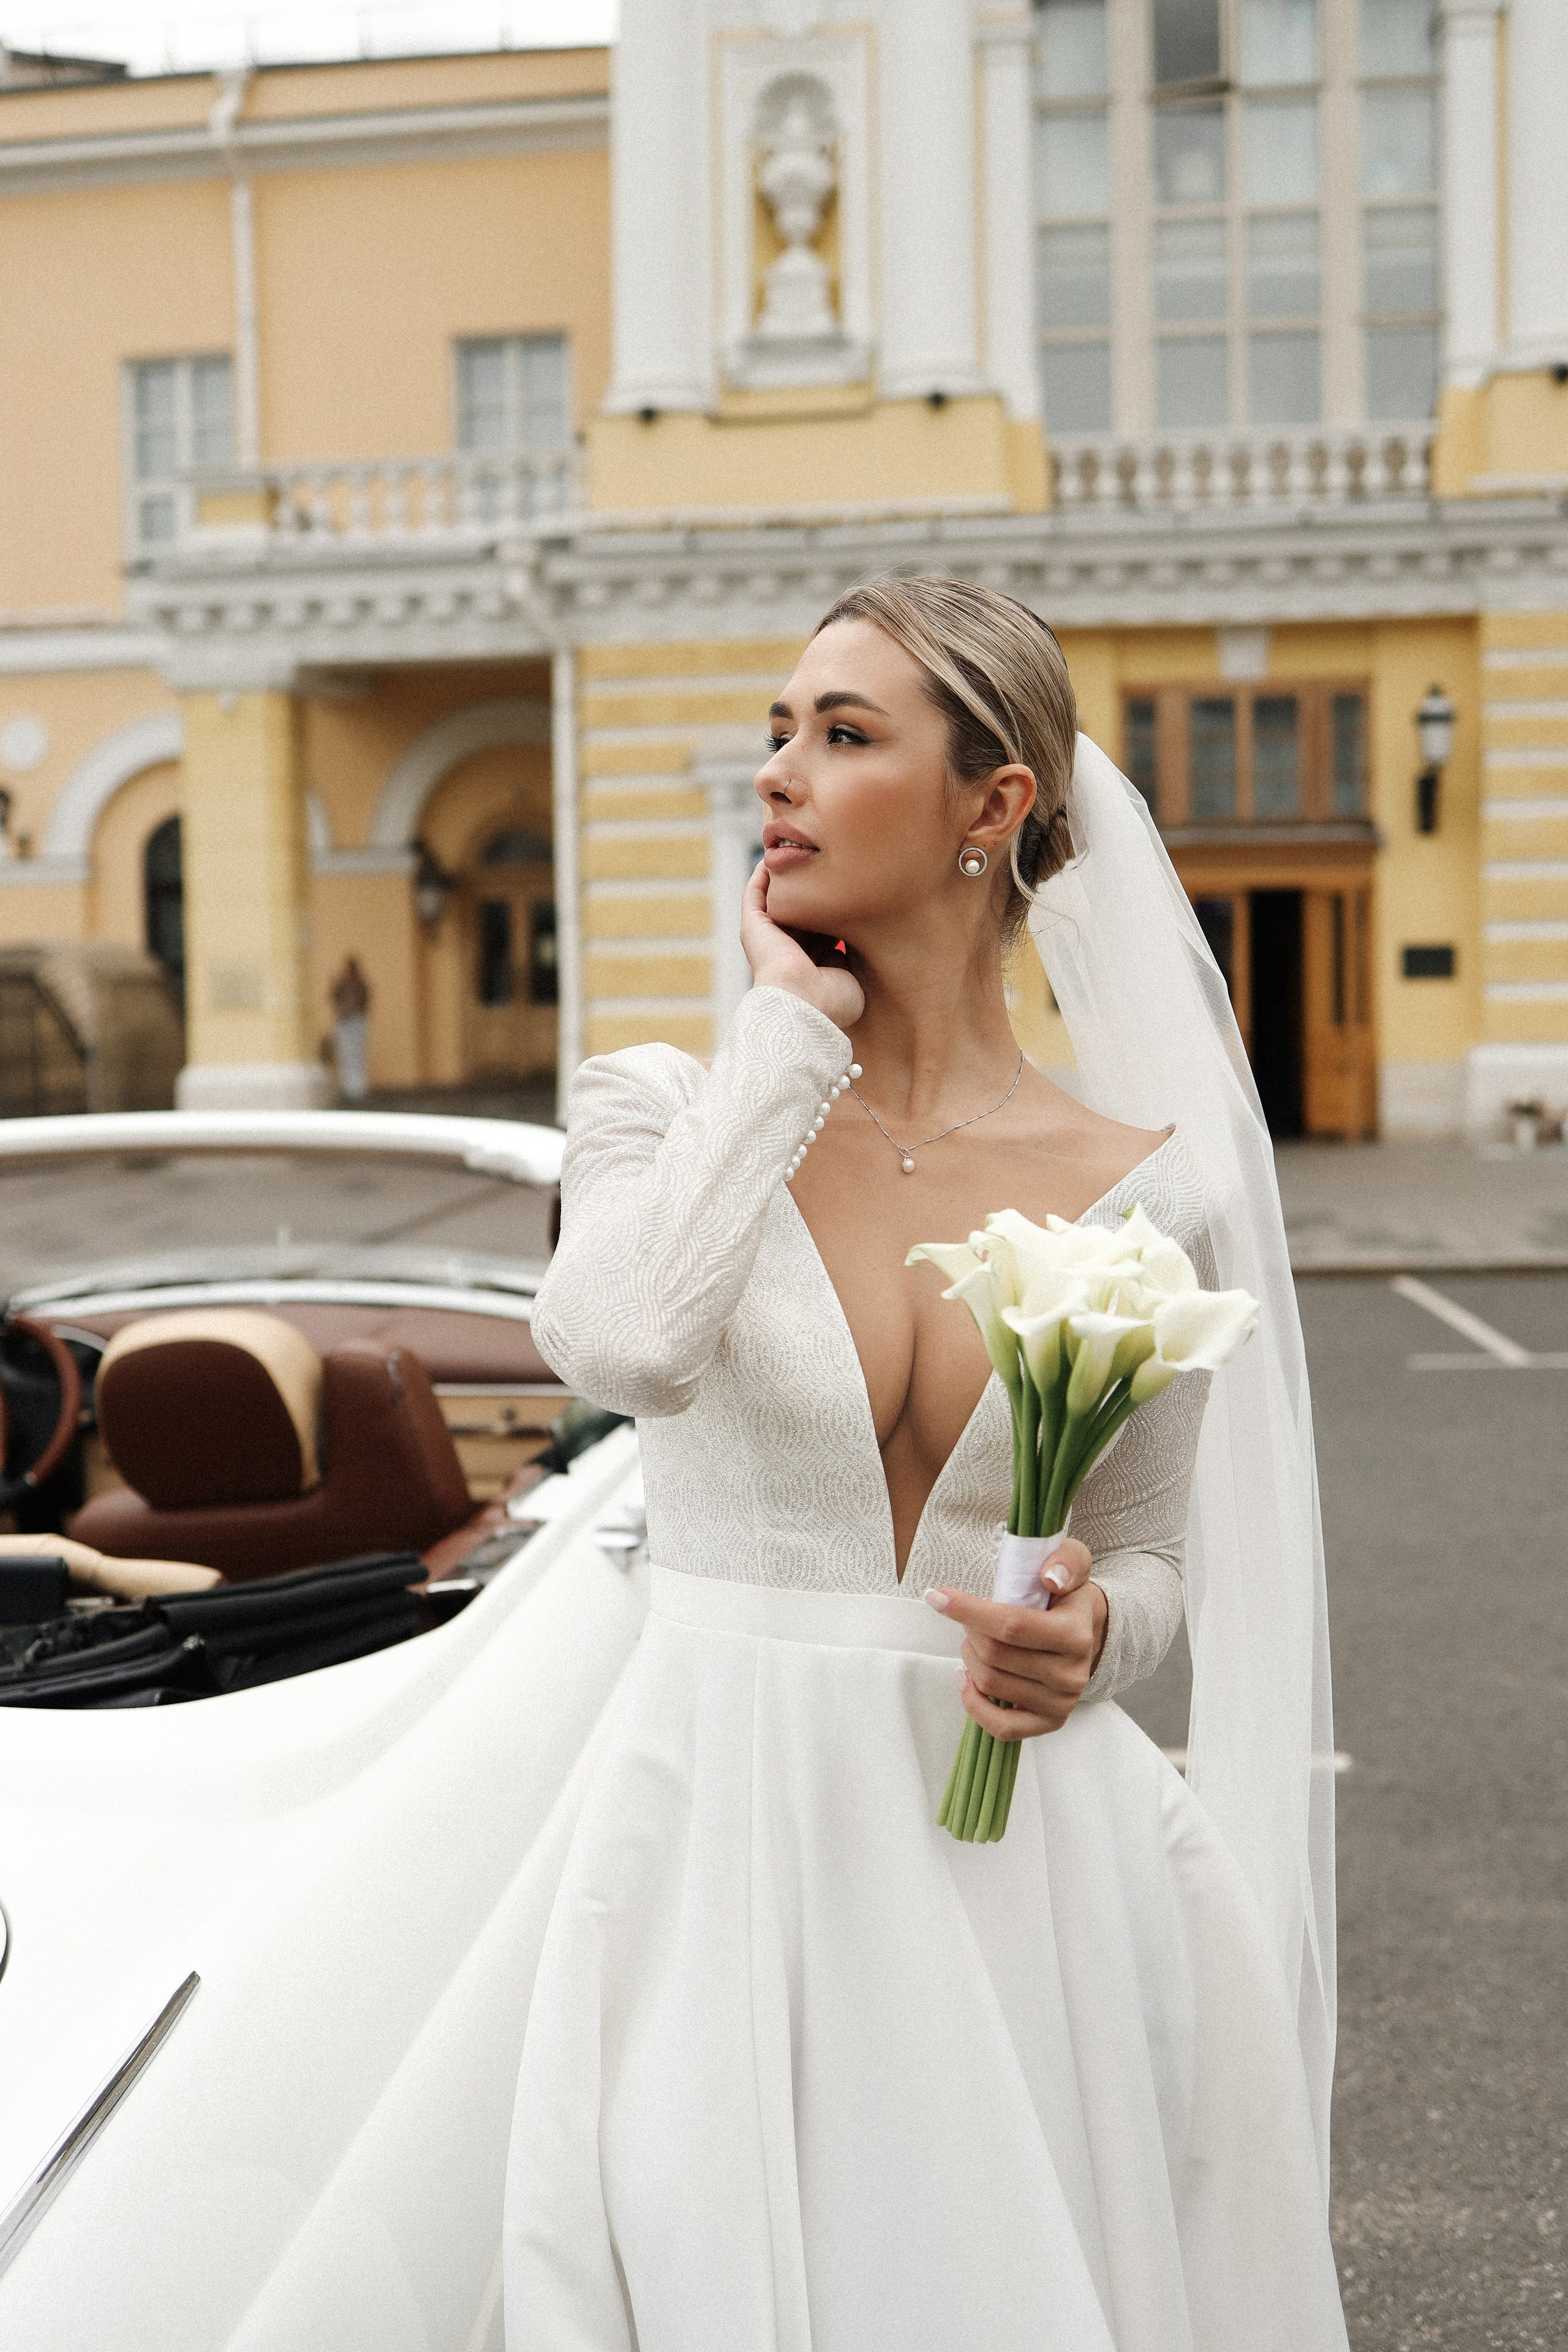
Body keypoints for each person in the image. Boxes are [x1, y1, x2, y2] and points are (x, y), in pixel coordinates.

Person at [505, 578, 1348, 2351]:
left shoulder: (1154, 1183)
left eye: (844, 733)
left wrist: (1086, 1637)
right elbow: (629, 1341)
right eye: (776, 734)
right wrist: (785, 1043)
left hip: (1023, 1866)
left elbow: (1146, 1560)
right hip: (717, 1835)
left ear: (995, 806)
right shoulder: (656, 1104)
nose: (781, 777)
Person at [328, 954, 371, 1103]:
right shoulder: (341, 982)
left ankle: (358, 1088)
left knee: (356, 1054)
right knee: (345, 1053)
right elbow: (333, 997)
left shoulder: (360, 983)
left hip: (357, 1021)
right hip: (344, 1021)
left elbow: (365, 1000)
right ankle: (347, 1087)